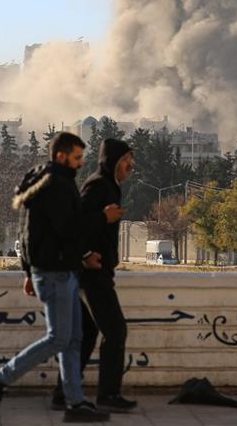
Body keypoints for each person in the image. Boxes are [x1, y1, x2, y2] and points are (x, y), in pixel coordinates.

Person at [0, 132, 107, 424]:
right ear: (61, 156)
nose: (81, 163)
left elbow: (29, 232)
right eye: (77, 158)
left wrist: (28, 271)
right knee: (59, 338)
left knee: (73, 339)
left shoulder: (43, 180)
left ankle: (75, 403)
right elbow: (68, 229)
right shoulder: (57, 185)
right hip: (56, 273)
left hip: (57, 271)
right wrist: (102, 218)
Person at [67, 138, 135, 413]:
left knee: (88, 332)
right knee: (116, 331)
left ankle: (64, 391)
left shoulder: (110, 187)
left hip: (99, 272)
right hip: (92, 273)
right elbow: (75, 224)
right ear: (113, 161)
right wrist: (85, 254)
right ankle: (108, 395)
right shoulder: (98, 185)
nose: (131, 165)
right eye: (126, 159)